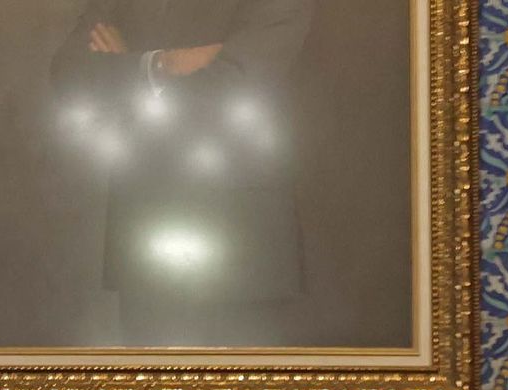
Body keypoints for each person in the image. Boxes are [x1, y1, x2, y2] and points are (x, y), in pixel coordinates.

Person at [51, 4, 316, 346]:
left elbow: (235, 82)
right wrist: (163, 64)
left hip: (245, 247)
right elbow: (68, 74)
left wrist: (130, 67)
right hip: (143, 235)